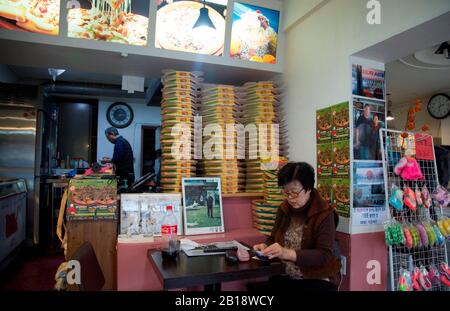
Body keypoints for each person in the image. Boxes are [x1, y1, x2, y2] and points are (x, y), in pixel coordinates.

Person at [253, 162, 341, 291]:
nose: (290, 198)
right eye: (286, 193)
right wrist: (265, 246)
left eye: (294, 193)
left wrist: (286, 253)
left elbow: (324, 255)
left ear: (309, 188)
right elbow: (273, 238)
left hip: (316, 279)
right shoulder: (284, 209)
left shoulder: (325, 214)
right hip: (285, 276)